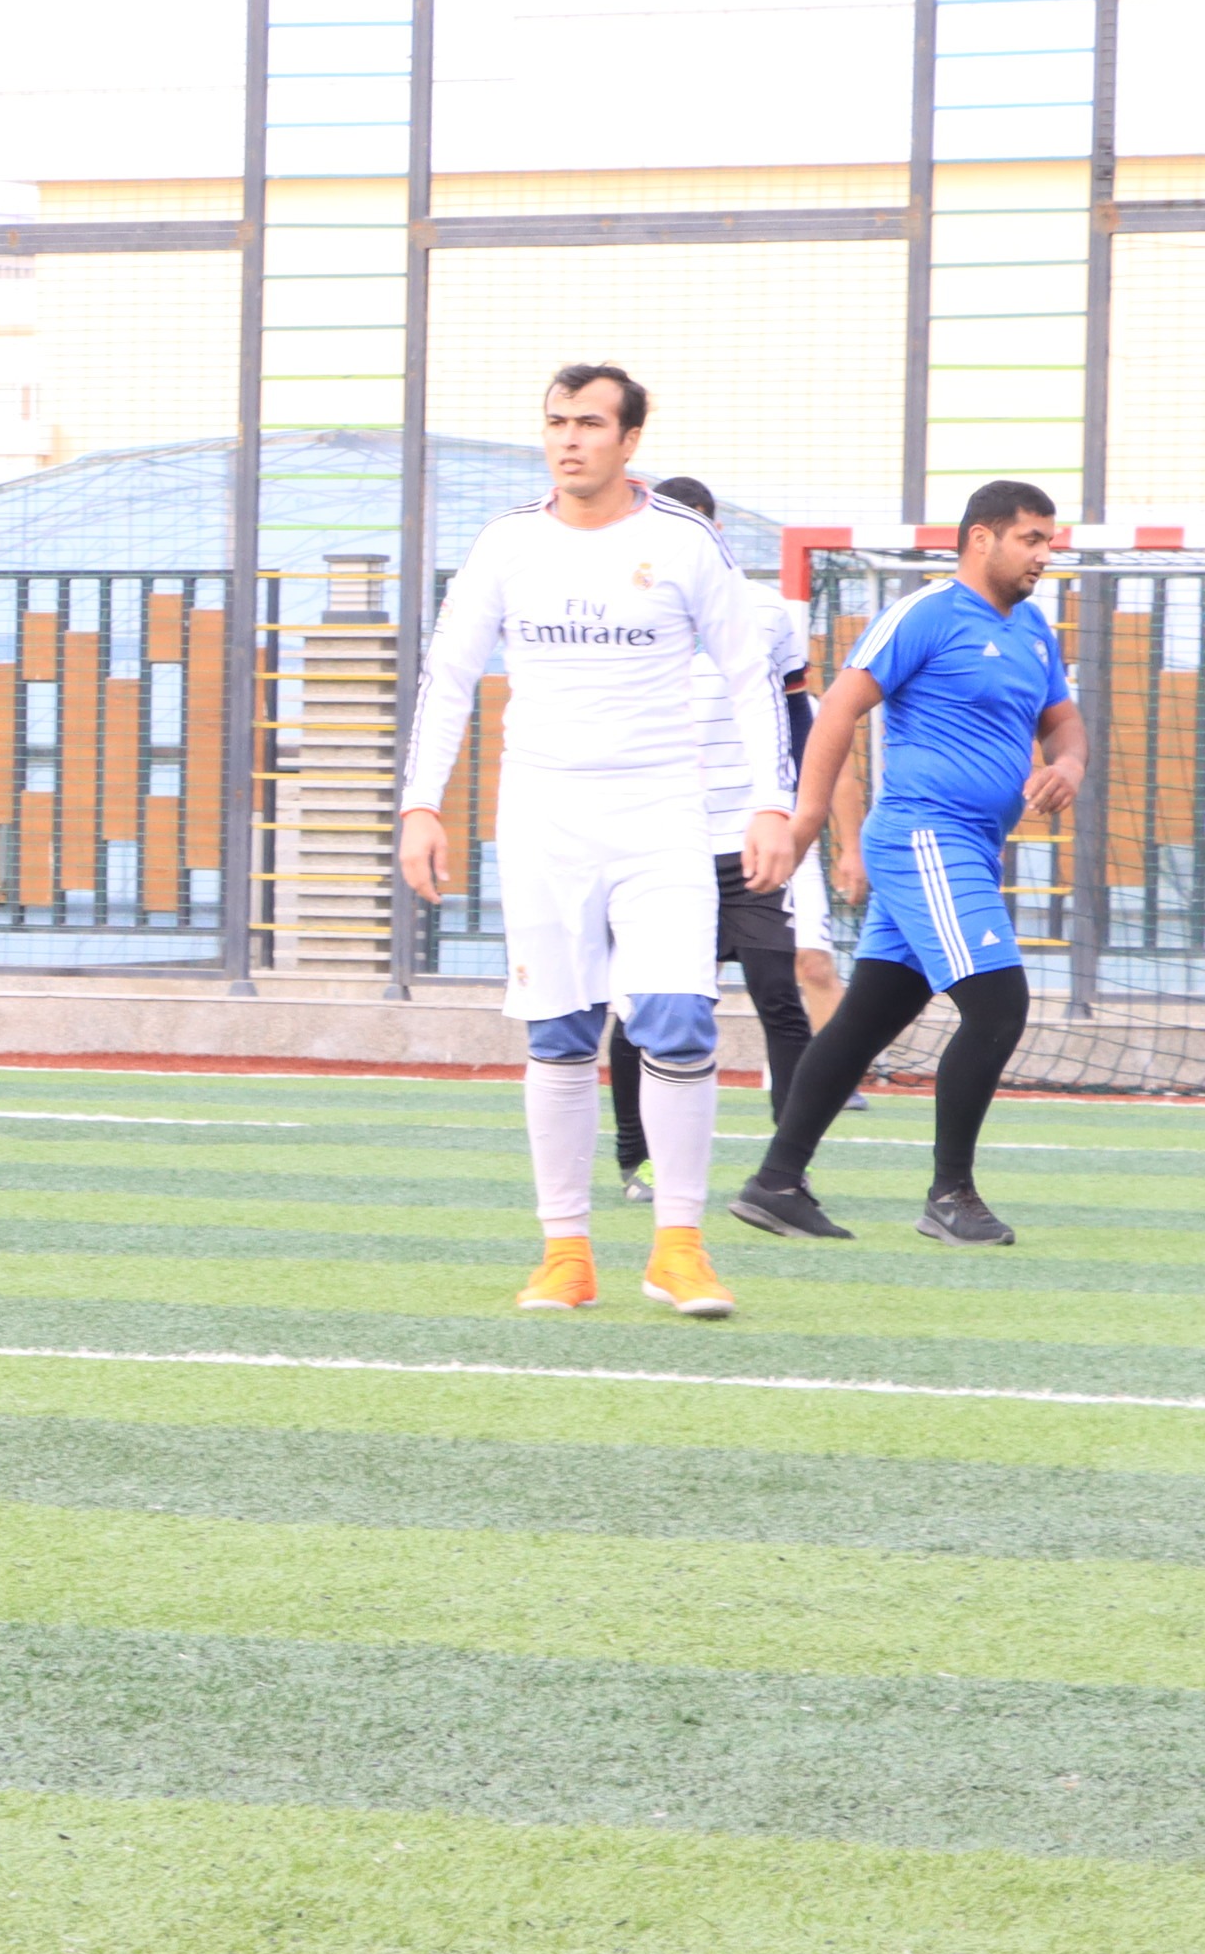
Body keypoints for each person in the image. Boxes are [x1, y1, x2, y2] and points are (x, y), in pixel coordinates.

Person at [401, 365, 793, 1323]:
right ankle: (566, 1254)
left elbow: (751, 677)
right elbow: (448, 677)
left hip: (662, 817)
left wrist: (771, 805)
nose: (568, 439)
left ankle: (679, 1249)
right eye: (556, 422)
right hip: (544, 820)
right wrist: (419, 806)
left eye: (588, 423)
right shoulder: (506, 544)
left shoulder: (683, 540)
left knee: (679, 1018)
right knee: (561, 1032)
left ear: (629, 440)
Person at [731, 479, 1084, 1249]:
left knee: (866, 1020)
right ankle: (951, 1195)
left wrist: (1069, 765)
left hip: (971, 851)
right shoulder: (925, 613)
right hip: (925, 838)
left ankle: (775, 1183)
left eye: (1049, 542)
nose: (1044, 556)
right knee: (999, 1005)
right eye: (1032, 539)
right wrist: (807, 820)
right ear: (982, 538)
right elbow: (838, 706)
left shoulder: (1033, 629)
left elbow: (1065, 725)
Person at [605, 476, 815, 1198]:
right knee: (646, 1006)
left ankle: (788, 1169)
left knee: (778, 995)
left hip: (747, 843)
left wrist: (791, 810)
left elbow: (797, 716)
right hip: (662, 842)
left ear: (715, 532)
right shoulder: (627, 609)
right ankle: (635, 1159)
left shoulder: (767, 612)